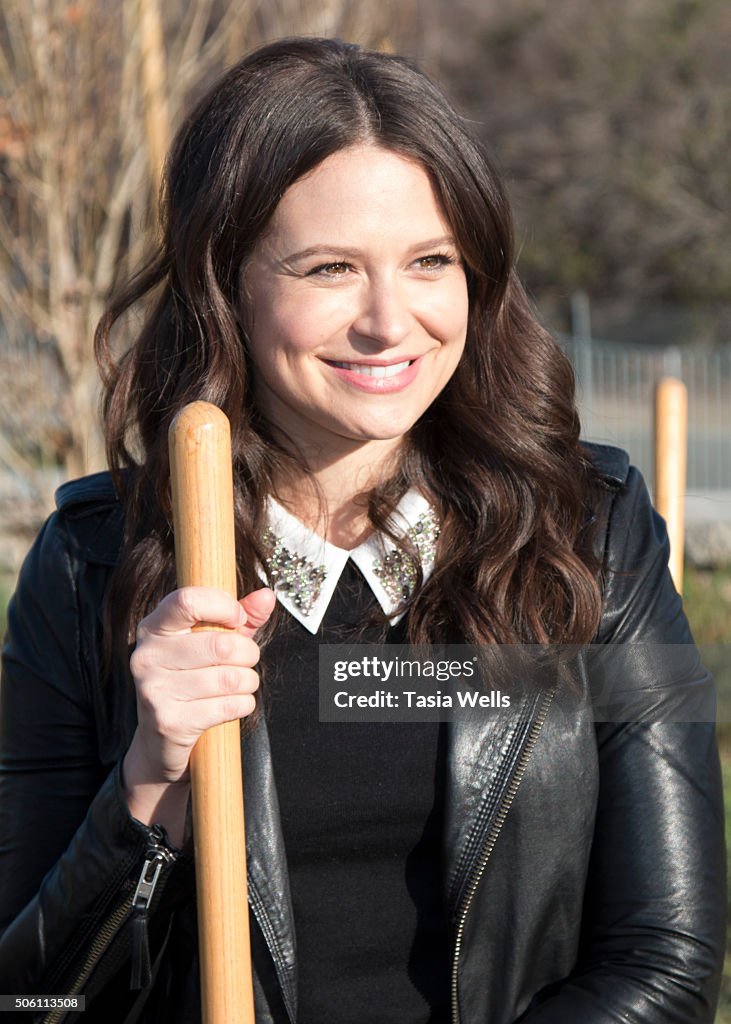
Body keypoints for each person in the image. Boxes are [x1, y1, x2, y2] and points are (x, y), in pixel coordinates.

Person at [0, 35, 725, 1024]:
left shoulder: (597, 530)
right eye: (330, 267)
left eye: (429, 261)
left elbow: (668, 962)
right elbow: (29, 994)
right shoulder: (89, 564)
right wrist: (146, 789)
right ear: (227, 284)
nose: (391, 320)